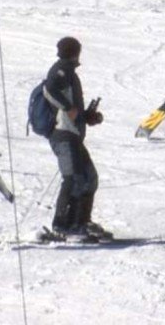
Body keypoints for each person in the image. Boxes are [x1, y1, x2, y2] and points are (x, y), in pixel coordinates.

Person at [43, 37, 107, 241]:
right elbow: (49, 89)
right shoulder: (61, 70)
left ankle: (81, 221)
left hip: (73, 135)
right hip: (63, 135)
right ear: (75, 52)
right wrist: (68, 108)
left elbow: (72, 109)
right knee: (73, 178)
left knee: (89, 178)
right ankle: (61, 225)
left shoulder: (69, 72)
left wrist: (88, 116)